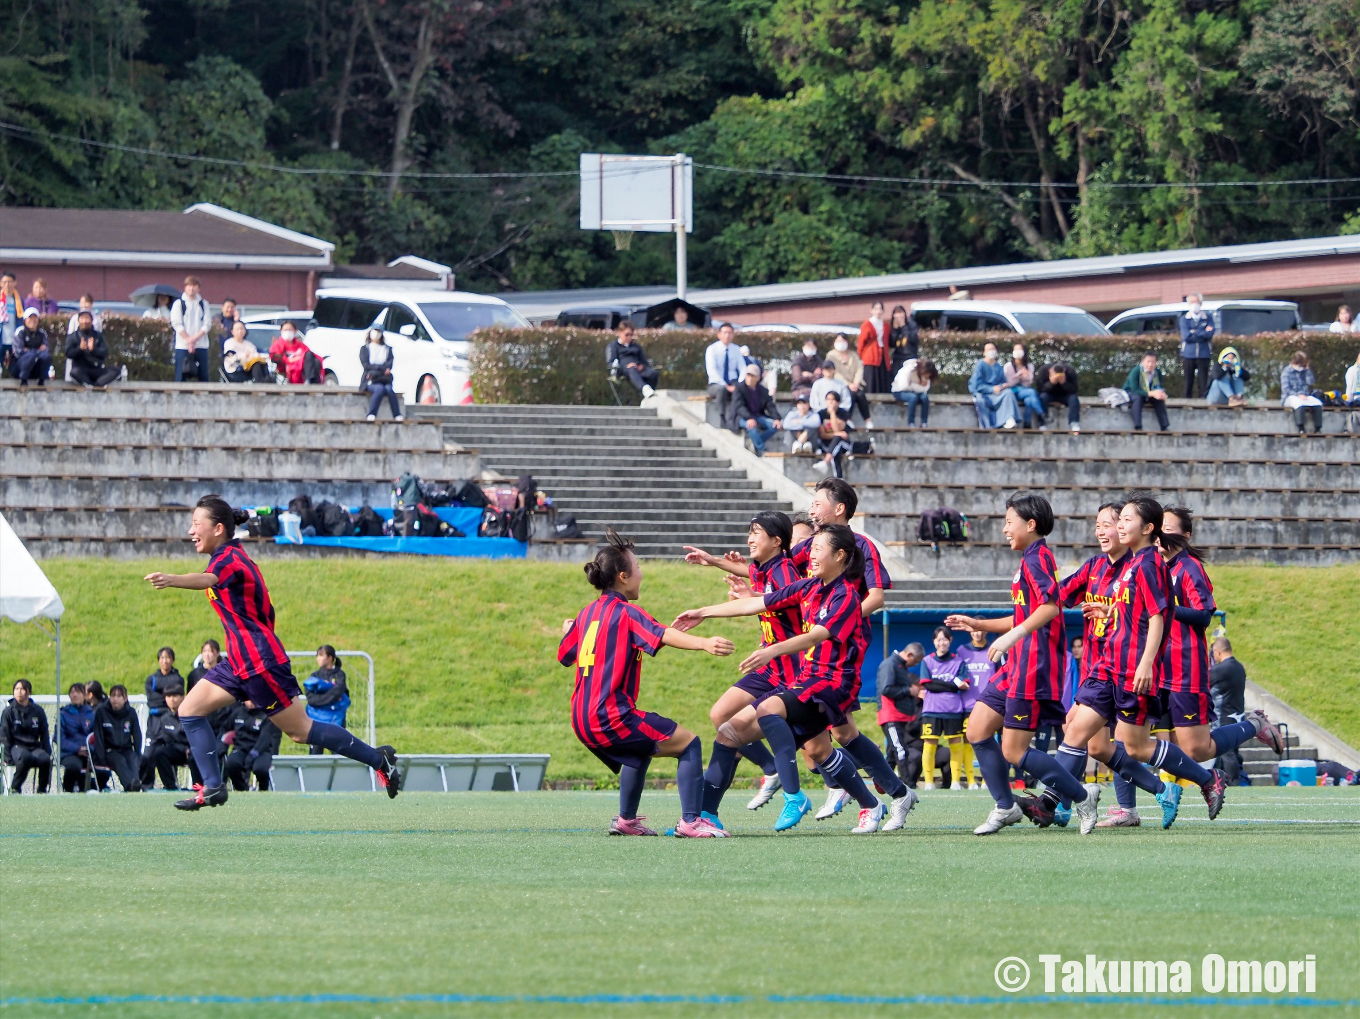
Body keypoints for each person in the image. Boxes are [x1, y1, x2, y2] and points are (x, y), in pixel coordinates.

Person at [143, 494, 403, 809]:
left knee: (301, 731)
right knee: (189, 710)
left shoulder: (228, 560)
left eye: (197, 524)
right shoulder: (231, 558)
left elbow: (208, 579)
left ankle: (379, 760)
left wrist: (172, 579)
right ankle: (213, 786)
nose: (190, 531)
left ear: (219, 528)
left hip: (258, 664)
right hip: (240, 661)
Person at [672, 525, 908, 834]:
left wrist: (773, 651)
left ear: (839, 556)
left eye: (816, 549)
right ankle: (705, 816)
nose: (809, 555)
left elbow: (817, 635)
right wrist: (703, 612)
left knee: (772, 710)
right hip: (805, 679)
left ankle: (793, 794)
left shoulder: (847, 596)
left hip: (830, 684)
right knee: (731, 732)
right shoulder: (809, 585)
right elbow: (757, 603)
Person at [1065, 496, 1238, 828]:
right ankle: (1080, 802)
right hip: (1121, 667)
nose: (1113, 528)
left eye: (1121, 521)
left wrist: (1146, 661)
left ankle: (1060, 799)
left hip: (1166, 668)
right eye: (1107, 523)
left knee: (1186, 746)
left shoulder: (1154, 565)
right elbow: (1138, 611)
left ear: (1150, 529)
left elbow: (1167, 615)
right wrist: (1110, 611)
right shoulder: (1130, 566)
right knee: (1107, 739)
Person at [558, 529, 734, 837]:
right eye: (638, 569)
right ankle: (691, 822)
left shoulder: (588, 612)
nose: (642, 574)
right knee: (689, 744)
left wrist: (569, 628)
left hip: (581, 717)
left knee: (639, 751)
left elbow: (565, 652)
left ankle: (626, 821)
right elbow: (662, 633)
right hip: (609, 715)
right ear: (624, 577)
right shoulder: (625, 612)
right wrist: (704, 642)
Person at [945, 493, 1101, 836]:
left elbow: (1050, 607)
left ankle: (1081, 796)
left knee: (1013, 750)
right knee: (977, 730)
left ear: (1031, 525)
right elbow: (1023, 615)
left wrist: (1011, 637)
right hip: (1016, 663)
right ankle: (1006, 807)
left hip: (1032, 667)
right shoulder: (1029, 560)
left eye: (1009, 522)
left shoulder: (1037, 559)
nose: (1004, 529)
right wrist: (980, 624)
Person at [681, 512, 801, 821]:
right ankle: (713, 811)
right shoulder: (763, 567)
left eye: (756, 532)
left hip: (793, 669)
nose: (749, 538)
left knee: (822, 751)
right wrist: (713, 561)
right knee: (722, 719)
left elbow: (766, 601)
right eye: (749, 532)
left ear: (777, 541)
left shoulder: (785, 571)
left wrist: (707, 611)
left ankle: (878, 795)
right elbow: (748, 575)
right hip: (770, 664)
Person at [1158, 519, 1283, 785]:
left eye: (1168, 528)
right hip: (1155, 666)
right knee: (1129, 738)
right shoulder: (1156, 568)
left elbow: (1204, 614)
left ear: (1186, 535)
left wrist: (1165, 609)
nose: (1160, 533)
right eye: (1158, 527)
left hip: (1184, 666)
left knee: (1196, 748)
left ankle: (1253, 726)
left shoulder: (1189, 568)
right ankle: (1132, 805)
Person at [918, 627, 969, 789]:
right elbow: (928, 684)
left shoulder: (958, 661)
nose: (942, 643)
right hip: (931, 709)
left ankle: (955, 781)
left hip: (953, 710)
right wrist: (952, 685)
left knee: (956, 744)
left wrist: (938, 683)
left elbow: (962, 683)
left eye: (945, 639)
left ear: (950, 641)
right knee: (929, 744)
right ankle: (928, 782)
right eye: (939, 640)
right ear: (934, 642)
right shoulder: (927, 661)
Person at [876, 642, 925, 789]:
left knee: (892, 753)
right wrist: (908, 691)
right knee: (900, 750)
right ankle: (907, 786)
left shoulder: (901, 666)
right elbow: (886, 689)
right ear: (909, 655)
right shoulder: (890, 664)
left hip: (900, 716)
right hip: (890, 715)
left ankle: (882, 784)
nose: (914, 664)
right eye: (915, 661)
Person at [953, 629, 996, 789]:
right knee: (967, 740)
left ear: (986, 632)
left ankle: (987, 780)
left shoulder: (993, 649)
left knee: (987, 741)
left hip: (988, 703)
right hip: (967, 703)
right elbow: (956, 673)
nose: (977, 634)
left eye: (981, 631)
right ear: (970, 634)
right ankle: (971, 780)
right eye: (974, 631)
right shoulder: (961, 651)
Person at [141, 690, 202, 791]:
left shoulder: (192, 716)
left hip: (194, 750)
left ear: (182, 697)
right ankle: (170, 787)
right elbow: (168, 740)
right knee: (159, 753)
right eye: (169, 696)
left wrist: (189, 748)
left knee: (194, 755)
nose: (172, 699)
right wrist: (183, 749)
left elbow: (198, 736)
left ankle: (199, 788)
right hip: (178, 750)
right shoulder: (164, 719)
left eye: (175, 696)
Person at [1209, 637, 1248, 783]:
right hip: (1238, 714)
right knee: (1232, 752)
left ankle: (1232, 783)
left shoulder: (1220, 670)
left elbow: (1203, 682)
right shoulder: (1239, 667)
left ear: (1217, 652)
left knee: (1226, 751)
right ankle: (1226, 781)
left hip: (1224, 715)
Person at [2, 679, 52, 793]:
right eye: (16, 689)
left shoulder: (38, 711)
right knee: (25, 758)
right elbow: (4, 735)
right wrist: (7, 757)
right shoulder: (9, 711)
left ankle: (42, 790)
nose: (19, 692)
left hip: (34, 747)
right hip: (17, 747)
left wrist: (47, 751)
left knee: (45, 759)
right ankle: (15, 788)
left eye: (22, 689)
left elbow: (44, 732)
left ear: (29, 692)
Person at [222, 700, 281, 791]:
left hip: (261, 750)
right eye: (248, 699)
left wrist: (252, 755)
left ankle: (263, 790)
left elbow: (265, 738)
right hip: (241, 748)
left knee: (260, 769)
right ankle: (242, 789)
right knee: (232, 764)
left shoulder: (266, 715)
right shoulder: (238, 713)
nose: (251, 702)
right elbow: (225, 728)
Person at [93, 684, 142, 792]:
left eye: (119, 696)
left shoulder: (131, 713)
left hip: (126, 749)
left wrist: (138, 753)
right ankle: (130, 786)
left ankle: (136, 782)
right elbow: (98, 736)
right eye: (113, 695)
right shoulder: (101, 712)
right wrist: (100, 757)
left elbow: (137, 734)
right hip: (109, 751)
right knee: (119, 761)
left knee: (132, 759)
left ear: (125, 699)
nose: (115, 699)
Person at [304, 645, 351, 754]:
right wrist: (328, 700)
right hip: (316, 722)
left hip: (335, 720)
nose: (318, 659)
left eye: (321, 656)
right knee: (315, 754)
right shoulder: (314, 676)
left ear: (330, 658)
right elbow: (311, 699)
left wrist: (321, 699)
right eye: (317, 656)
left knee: (337, 753)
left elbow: (338, 692)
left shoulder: (340, 675)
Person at [728, 363, 781, 454]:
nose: (750, 378)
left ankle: (755, 441)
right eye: (748, 375)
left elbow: (770, 405)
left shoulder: (763, 390)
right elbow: (739, 406)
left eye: (753, 376)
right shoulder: (739, 389)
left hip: (757, 415)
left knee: (774, 426)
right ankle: (761, 448)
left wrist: (776, 418)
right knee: (752, 426)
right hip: (740, 417)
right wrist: (749, 418)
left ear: (758, 378)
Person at [968, 341, 1020, 430]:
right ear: (984, 353)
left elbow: (1003, 381)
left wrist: (1002, 386)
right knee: (981, 401)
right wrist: (991, 389)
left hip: (997, 393)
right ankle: (988, 426)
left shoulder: (998, 366)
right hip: (983, 393)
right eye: (989, 350)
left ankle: (1009, 419)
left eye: (993, 349)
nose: (991, 351)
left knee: (1008, 393)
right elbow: (976, 385)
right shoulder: (980, 365)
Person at [705, 323, 745, 430]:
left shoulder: (736, 349)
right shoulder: (712, 349)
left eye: (730, 333)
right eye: (725, 333)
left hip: (733, 380)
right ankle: (722, 418)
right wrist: (726, 385)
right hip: (716, 383)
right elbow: (712, 371)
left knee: (741, 390)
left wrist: (741, 383)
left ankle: (735, 418)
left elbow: (742, 368)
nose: (727, 335)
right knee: (721, 390)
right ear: (719, 335)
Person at [170, 276, 211, 382]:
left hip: (201, 344)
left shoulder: (203, 304)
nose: (191, 289)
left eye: (194, 286)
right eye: (189, 286)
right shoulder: (179, 303)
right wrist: (188, 340)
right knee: (180, 376)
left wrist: (194, 339)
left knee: (203, 376)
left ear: (199, 288)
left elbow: (207, 324)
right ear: (185, 287)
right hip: (182, 345)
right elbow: (176, 324)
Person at [827, 334, 873, 426]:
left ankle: (867, 420)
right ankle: (847, 418)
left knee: (860, 395)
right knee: (850, 395)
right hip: (840, 384)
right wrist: (848, 384)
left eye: (843, 341)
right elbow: (835, 372)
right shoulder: (831, 356)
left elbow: (859, 369)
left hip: (855, 384)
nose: (841, 343)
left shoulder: (853, 355)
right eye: (838, 341)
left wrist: (856, 382)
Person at [65, 311, 122, 387]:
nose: (84, 321)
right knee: (74, 372)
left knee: (116, 370)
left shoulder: (98, 336)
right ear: (78, 321)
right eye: (82, 318)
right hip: (81, 370)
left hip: (96, 370)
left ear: (91, 321)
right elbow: (68, 353)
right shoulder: (73, 336)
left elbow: (105, 352)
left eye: (87, 318)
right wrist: (80, 348)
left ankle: (96, 385)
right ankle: (90, 384)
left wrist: (93, 350)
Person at [604, 322, 658, 398]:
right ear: (620, 333)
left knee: (653, 373)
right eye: (627, 335)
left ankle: (648, 395)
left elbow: (644, 361)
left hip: (638, 370)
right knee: (631, 369)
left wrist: (641, 366)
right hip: (623, 370)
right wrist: (626, 366)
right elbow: (610, 363)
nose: (629, 337)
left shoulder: (636, 347)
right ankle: (645, 389)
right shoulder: (613, 346)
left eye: (631, 335)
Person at [59, 683, 97, 792]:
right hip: (69, 753)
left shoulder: (92, 714)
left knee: (103, 766)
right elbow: (59, 738)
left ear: (85, 696)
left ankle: (98, 788)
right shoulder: (63, 714)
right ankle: (68, 790)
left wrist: (89, 749)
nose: (75, 695)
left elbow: (97, 736)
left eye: (78, 692)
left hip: (89, 752)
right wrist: (77, 749)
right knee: (73, 766)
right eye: (72, 692)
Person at [360, 326, 403, 422]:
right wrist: (381, 368)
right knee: (379, 389)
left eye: (378, 331)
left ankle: (397, 415)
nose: (376, 334)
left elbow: (389, 365)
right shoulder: (365, 349)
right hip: (371, 380)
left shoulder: (387, 349)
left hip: (384, 379)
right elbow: (366, 365)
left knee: (389, 390)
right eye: (374, 331)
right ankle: (371, 414)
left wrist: (377, 369)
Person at [1122, 351, 1170, 432]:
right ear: (1143, 361)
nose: (1150, 365)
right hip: (1132, 393)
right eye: (1148, 361)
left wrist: (1161, 394)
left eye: (1153, 362)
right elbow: (1135, 389)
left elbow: (1159, 386)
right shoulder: (1136, 371)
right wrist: (1151, 393)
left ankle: (1164, 426)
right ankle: (1138, 426)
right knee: (1138, 398)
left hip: (1149, 393)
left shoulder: (1157, 372)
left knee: (1159, 400)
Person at [1178, 294, 1214, 398]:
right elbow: (1186, 337)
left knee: (1203, 381)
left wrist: (1194, 332)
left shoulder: (1208, 317)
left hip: (1204, 354)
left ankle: (1203, 402)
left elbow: (1210, 334)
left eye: (1196, 302)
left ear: (1201, 303)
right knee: (1188, 381)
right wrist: (1202, 332)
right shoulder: (1184, 319)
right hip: (1188, 354)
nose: (1194, 305)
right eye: (1192, 302)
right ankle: (1186, 401)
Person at [1003, 342, 1046, 428]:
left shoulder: (1029, 366)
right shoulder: (1008, 366)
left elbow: (1028, 383)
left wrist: (1026, 376)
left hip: (1024, 391)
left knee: (1029, 400)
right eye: (1015, 350)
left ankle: (1027, 423)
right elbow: (1009, 384)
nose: (1017, 352)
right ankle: (1041, 414)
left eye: (1020, 350)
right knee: (1032, 392)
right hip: (1012, 391)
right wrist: (1018, 376)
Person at [1280, 351, 1322, 434]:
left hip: (1305, 396)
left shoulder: (1304, 371)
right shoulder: (1287, 372)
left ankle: (1318, 428)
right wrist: (1298, 395)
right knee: (1299, 404)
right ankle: (1301, 427)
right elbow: (1286, 389)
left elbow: (1311, 382)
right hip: (1290, 396)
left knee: (1318, 403)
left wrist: (1307, 371)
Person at [815, 390, 855, 478]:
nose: (831, 402)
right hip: (827, 444)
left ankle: (826, 462)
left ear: (838, 402)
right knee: (836, 450)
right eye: (828, 399)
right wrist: (839, 434)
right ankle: (839, 478)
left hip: (843, 443)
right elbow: (822, 434)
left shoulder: (843, 413)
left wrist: (832, 413)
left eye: (833, 400)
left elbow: (836, 429)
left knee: (838, 441)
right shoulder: (821, 414)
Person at [1035, 361, 1080, 433]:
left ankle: (1074, 423)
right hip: (1049, 394)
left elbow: (1074, 390)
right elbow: (1040, 389)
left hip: (1065, 395)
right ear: (1050, 371)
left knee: (1074, 399)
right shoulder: (1043, 371)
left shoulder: (1070, 371)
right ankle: (1042, 424)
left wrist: (1064, 383)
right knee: (1043, 398)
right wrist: (1051, 383)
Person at [857, 301, 891, 394]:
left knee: (883, 379)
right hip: (870, 356)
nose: (878, 311)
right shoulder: (866, 325)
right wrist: (863, 356)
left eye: (880, 309)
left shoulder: (886, 325)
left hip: (883, 355)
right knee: (871, 380)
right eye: (876, 309)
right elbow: (861, 343)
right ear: (871, 310)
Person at [891, 357, 936, 427]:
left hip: (915, 392)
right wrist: (917, 385)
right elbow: (903, 386)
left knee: (925, 398)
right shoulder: (908, 370)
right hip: (899, 391)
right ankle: (911, 422)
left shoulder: (926, 374)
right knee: (913, 398)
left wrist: (915, 386)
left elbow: (925, 389)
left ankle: (924, 423)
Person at [11, 309, 50, 386]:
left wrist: (28, 350)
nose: (32, 320)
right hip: (19, 366)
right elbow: (19, 352)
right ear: (25, 320)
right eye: (30, 318)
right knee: (30, 356)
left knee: (46, 357)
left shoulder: (42, 333)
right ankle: (23, 381)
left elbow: (46, 350)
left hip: (35, 366)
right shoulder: (19, 332)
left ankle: (42, 381)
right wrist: (37, 351)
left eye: (35, 317)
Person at [145, 646, 185, 717]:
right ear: (158, 660)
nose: (165, 661)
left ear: (173, 660)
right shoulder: (152, 679)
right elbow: (151, 698)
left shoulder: (178, 679)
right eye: (162, 658)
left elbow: (179, 699)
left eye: (168, 658)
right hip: (155, 716)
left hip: (173, 716)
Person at [888, 305, 919, 378]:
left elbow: (912, 339)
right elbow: (892, 344)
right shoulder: (893, 326)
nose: (898, 315)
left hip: (910, 357)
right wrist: (895, 330)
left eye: (900, 313)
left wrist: (903, 326)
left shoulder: (911, 324)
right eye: (896, 313)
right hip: (898, 358)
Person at [0, 270, 22, 370]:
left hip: (14, 338)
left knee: (15, 367)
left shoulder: (19, 300)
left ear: (15, 282)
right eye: (4, 282)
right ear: (1, 283)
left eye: (10, 281)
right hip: (1, 338)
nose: (7, 285)